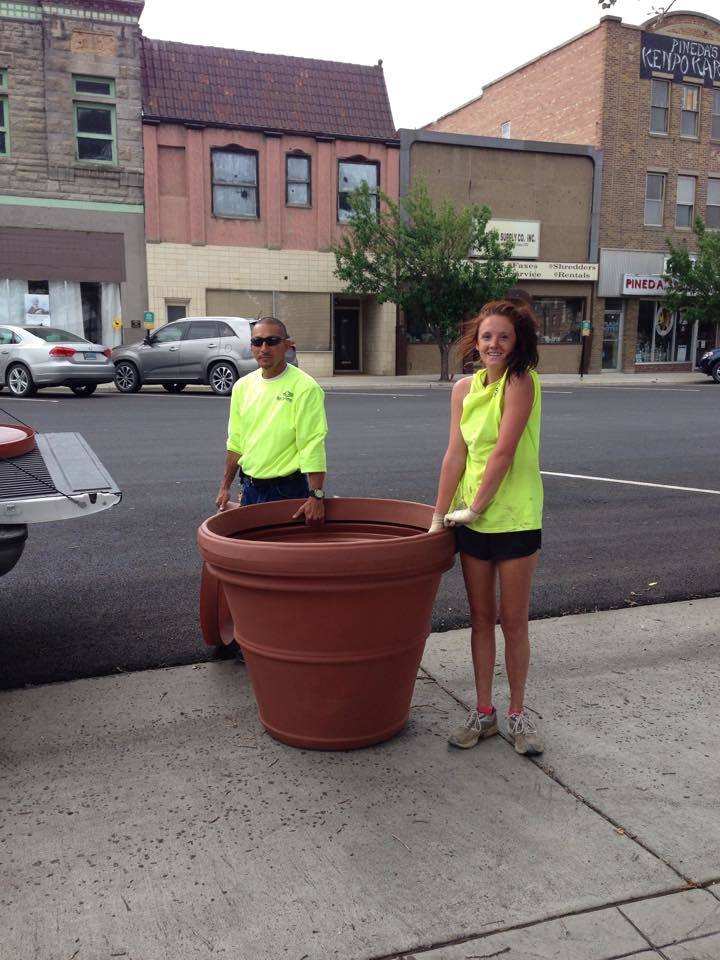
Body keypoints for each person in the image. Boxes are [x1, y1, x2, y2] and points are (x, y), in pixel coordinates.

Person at [429, 299, 544, 756]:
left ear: (517, 344)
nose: (494, 344)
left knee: (513, 621)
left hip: (513, 517)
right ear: (475, 343)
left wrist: (475, 507)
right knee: (480, 620)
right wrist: (439, 516)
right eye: (487, 337)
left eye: (504, 337)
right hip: (469, 520)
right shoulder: (463, 389)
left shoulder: (522, 382)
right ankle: (484, 713)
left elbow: (504, 452)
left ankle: (517, 714)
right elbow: (455, 455)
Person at [215, 316, 327, 523]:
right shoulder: (242, 387)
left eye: (272, 341)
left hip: (287, 490)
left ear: (287, 345)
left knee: (284, 552)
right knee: (252, 551)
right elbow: (236, 442)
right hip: (250, 487)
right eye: (257, 342)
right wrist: (225, 487)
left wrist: (316, 495)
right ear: (251, 346)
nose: (264, 348)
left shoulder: (305, 387)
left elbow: (311, 444)